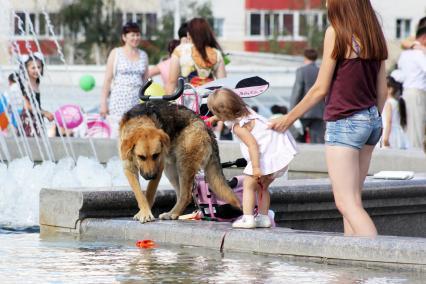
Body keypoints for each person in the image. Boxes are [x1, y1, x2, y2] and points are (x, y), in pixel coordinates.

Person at [269, 0, 388, 237]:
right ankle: (350, 272)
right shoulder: (375, 34)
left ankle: (380, 258)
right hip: (371, 120)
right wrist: (371, 117)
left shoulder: (336, 32)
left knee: (346, 203)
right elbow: (382, 90)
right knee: (353, 201)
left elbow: (320, 88)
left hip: (345, 122)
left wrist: (288, 119)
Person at [207, 88, 297, 229]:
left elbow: (253, 145)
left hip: (263, 157)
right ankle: (263, 217)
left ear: (224, 113)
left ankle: (248, 218)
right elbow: (228, 112)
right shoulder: (246, 111)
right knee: (263, 188)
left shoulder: (239, 127)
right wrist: (214, 118)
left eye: (216, 113)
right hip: (276, 153)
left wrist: (255, 167)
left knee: (248, 186)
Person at [100, 22, 149, 137]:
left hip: (136, 100)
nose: (136, 38)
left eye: (138, 35)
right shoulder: (116, 53)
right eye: (132, 35)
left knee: (134, 135)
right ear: (124, 37)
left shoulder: (143, 55)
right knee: (116, 133)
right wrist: (103, 103)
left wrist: (147, 104)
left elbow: (146, 82)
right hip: (119, 99)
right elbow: (107, 80)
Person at [166, 17, 226, 93]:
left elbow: (172, 82)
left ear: (189, 34)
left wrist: (168, 102)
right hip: (209, 100)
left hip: (187, 101)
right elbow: (222, 83)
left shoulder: (180, 50)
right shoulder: (216, 53)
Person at [397, 26, 426, 149]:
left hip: (406, 93)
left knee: (410, 130)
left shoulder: (405, 54)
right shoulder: (419, 54)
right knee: (417, 132)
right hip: (417, 94)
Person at [290, 48, 325, 143]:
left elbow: (297, 91)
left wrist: (292, 111)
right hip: (319, 111)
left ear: (305, 57)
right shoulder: (321, 71)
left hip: (303, 111)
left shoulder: (301, 71)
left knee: (298, 138)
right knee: (318, 141)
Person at [17, 53, 54, 137]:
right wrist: (44, 113)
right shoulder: (26, 84)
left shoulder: (36, 83)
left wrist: (46, 114)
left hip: (37, 118)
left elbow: (36, 104)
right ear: (26, 69)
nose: (37, 70)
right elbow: (27, 106)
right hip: (28, 120)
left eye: (39, 67)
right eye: (33, 68)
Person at [381, 76, 410, 149]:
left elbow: (389, 122)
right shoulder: (397, 102)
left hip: (390, 134)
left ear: (390, 89)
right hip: (398, 134)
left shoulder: (388, 103)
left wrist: (385, 138)